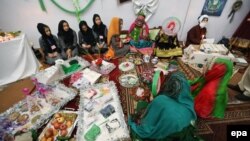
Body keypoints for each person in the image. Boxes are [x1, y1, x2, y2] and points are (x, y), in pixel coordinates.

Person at [128, 71, 197, 140]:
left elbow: (146, 127)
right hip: (184, 129)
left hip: (169, 134)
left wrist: (134, 120)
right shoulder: (189, 104)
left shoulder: (160, 100)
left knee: (138, 113)